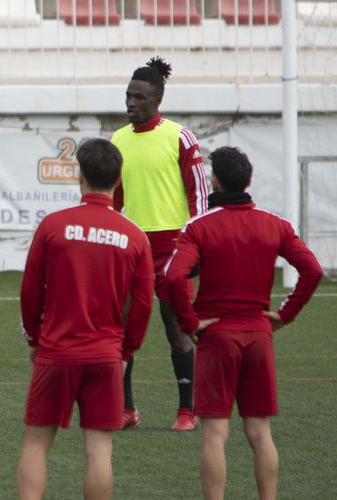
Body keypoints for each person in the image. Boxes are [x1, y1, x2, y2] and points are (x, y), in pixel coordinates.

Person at [0, 138, 154, 500]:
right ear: (119, 181)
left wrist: (34, 339)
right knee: (99, 451)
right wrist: (127, 350)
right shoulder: (134, 236)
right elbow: (142, 304)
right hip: (105, 356)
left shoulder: (54, 226)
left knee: (36, 443)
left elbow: (31, 290)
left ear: (78, 175)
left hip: (57, 352)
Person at [163, 146, 323, 500]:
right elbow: (312, 270)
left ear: (214, 182)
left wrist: (189, 323)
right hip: (258, 336)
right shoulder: (274, 224)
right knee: (260, 433)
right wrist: (285, 315)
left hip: (218, 337)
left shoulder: (198, 227)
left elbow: (171, 278)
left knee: (215, 434)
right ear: (249, 181)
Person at [111, 56, 209, 432]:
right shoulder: (118, 140)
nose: (131, 103)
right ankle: (127, 409)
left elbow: (198, 195)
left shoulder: (179, 136)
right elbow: (115, 199)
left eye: (139, 97)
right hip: (132, 250)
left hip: (175, 248)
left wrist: (196, 245)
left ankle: (188, 409)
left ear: (157, 100)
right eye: (128, 96)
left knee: (177, 330)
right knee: (121, 329)